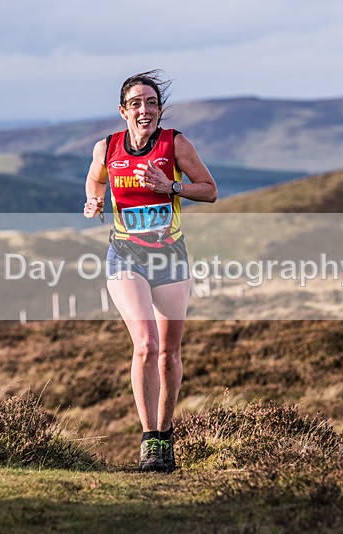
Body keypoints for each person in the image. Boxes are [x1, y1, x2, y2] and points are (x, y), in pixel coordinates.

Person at [83, 70, 217, 472]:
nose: (145, 110)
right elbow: (95, 179)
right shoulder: (107, 147)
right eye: (136, 103)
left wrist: (169, 186)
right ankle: (149, 440)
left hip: (170, 256)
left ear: (159, 109)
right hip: (126, 255)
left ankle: (165, 432)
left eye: (152, 103)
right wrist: (94, 201)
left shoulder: (175, 144)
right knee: (146, 345)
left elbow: (209, 190)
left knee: (169, 354)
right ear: (123, 111)